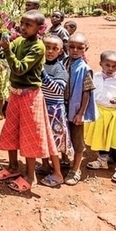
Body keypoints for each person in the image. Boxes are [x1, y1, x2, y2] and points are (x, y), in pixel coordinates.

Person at [0, 10, 63, 191]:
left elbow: (20, 68)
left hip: (30, 96)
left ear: (39, 29)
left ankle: (30, 177)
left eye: (28, 25)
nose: (23, 27)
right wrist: (1, 35)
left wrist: (8, 49)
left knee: (29, 135)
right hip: (15, 94)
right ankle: (13, 166)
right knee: (12, 130)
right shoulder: (20, 41)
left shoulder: (38, 47)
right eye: (22, 23)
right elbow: (0, 53)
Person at [84, 51, 116, 184]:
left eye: (114, 66)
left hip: (114, 114)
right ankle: (102, 160)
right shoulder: (96, 77)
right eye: (107, 65)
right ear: (101, 64)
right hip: (99, 113)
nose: (110, 69)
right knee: (101, 137)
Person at [35, 35, 74, 185]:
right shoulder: (40, 64)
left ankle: (58, 174)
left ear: (60, 51)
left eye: (54, 49)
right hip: (41, 107)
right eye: (47, 47)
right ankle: (45, 165)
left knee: (53, 143)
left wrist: (42, 73)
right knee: (42, 139)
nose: (50, 51)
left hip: (54, 111)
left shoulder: (60, 68)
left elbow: (58, 89)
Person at [63, 33, 97, 185]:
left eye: (79, 48)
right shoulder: (63, 62)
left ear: (86, 49)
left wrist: (81, 113)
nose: (75, 50)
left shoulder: (85, 69)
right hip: (62, 108)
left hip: (75, 110)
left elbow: (87, 92)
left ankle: (75, 169)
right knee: (62, 134)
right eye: (71, 47)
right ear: (66, 47)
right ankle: (64, 160)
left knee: (77, 140)